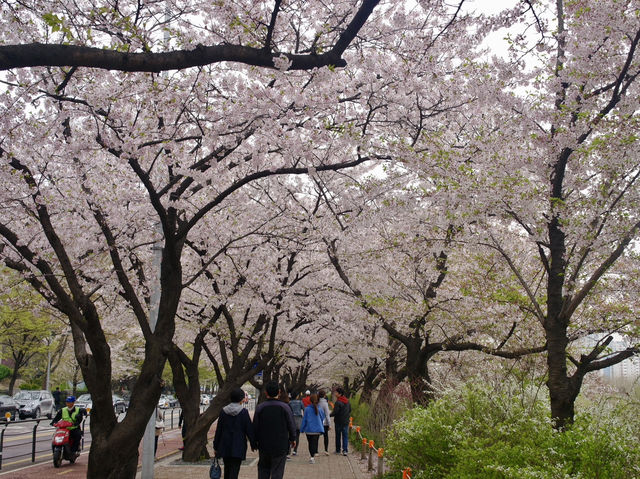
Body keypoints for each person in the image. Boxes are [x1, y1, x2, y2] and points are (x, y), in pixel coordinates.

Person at [252, 381, 296, 479]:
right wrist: (293, 438)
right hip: (280, 444)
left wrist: (253, 442)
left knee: (263, 470)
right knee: (277, 471)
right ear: (279, 392)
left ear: (266, 392)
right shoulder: (285, 407)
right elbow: (291, 424)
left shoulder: (260, 408)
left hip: (264, 444)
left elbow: (255, 426)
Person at [213, 388, 255, 479]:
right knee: (235, 470)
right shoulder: (243, 412)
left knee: (227, 469)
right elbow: (249, 430)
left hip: (225, 444)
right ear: (241, 399)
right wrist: (253, 443)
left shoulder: (224, 411)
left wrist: (216, 446)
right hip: (238, 445)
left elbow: (219, 430)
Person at [299, 393, 325, 464]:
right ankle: (313, 456)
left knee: (310, 443)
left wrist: (302, 429)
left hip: (309, 429)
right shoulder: (320, 409)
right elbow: (323, 417)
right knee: (315, 442)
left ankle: (312, 456)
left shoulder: (307, 409)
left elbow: (304, 419)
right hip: (317, 429)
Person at [330, 387, 351, 455]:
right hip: (346, 421)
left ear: (339, 394)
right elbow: (350, 410)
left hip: (338, 421)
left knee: (338, 436)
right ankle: (345, 450)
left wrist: (328, 415)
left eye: (336, 392)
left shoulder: (338, 402)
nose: (335, 393)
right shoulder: (347, 401)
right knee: (345, 436)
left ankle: (338, 450)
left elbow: (335, 412)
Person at [318, 390, 331, 455]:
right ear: (324, 395)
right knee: (326, 436)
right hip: (325, 422)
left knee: (316, 437)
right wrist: (329, 424)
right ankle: (326, 450)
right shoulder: (325, 403)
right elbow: (327, 414)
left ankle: (316, 451)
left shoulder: (316, 402)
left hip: (317, 422)